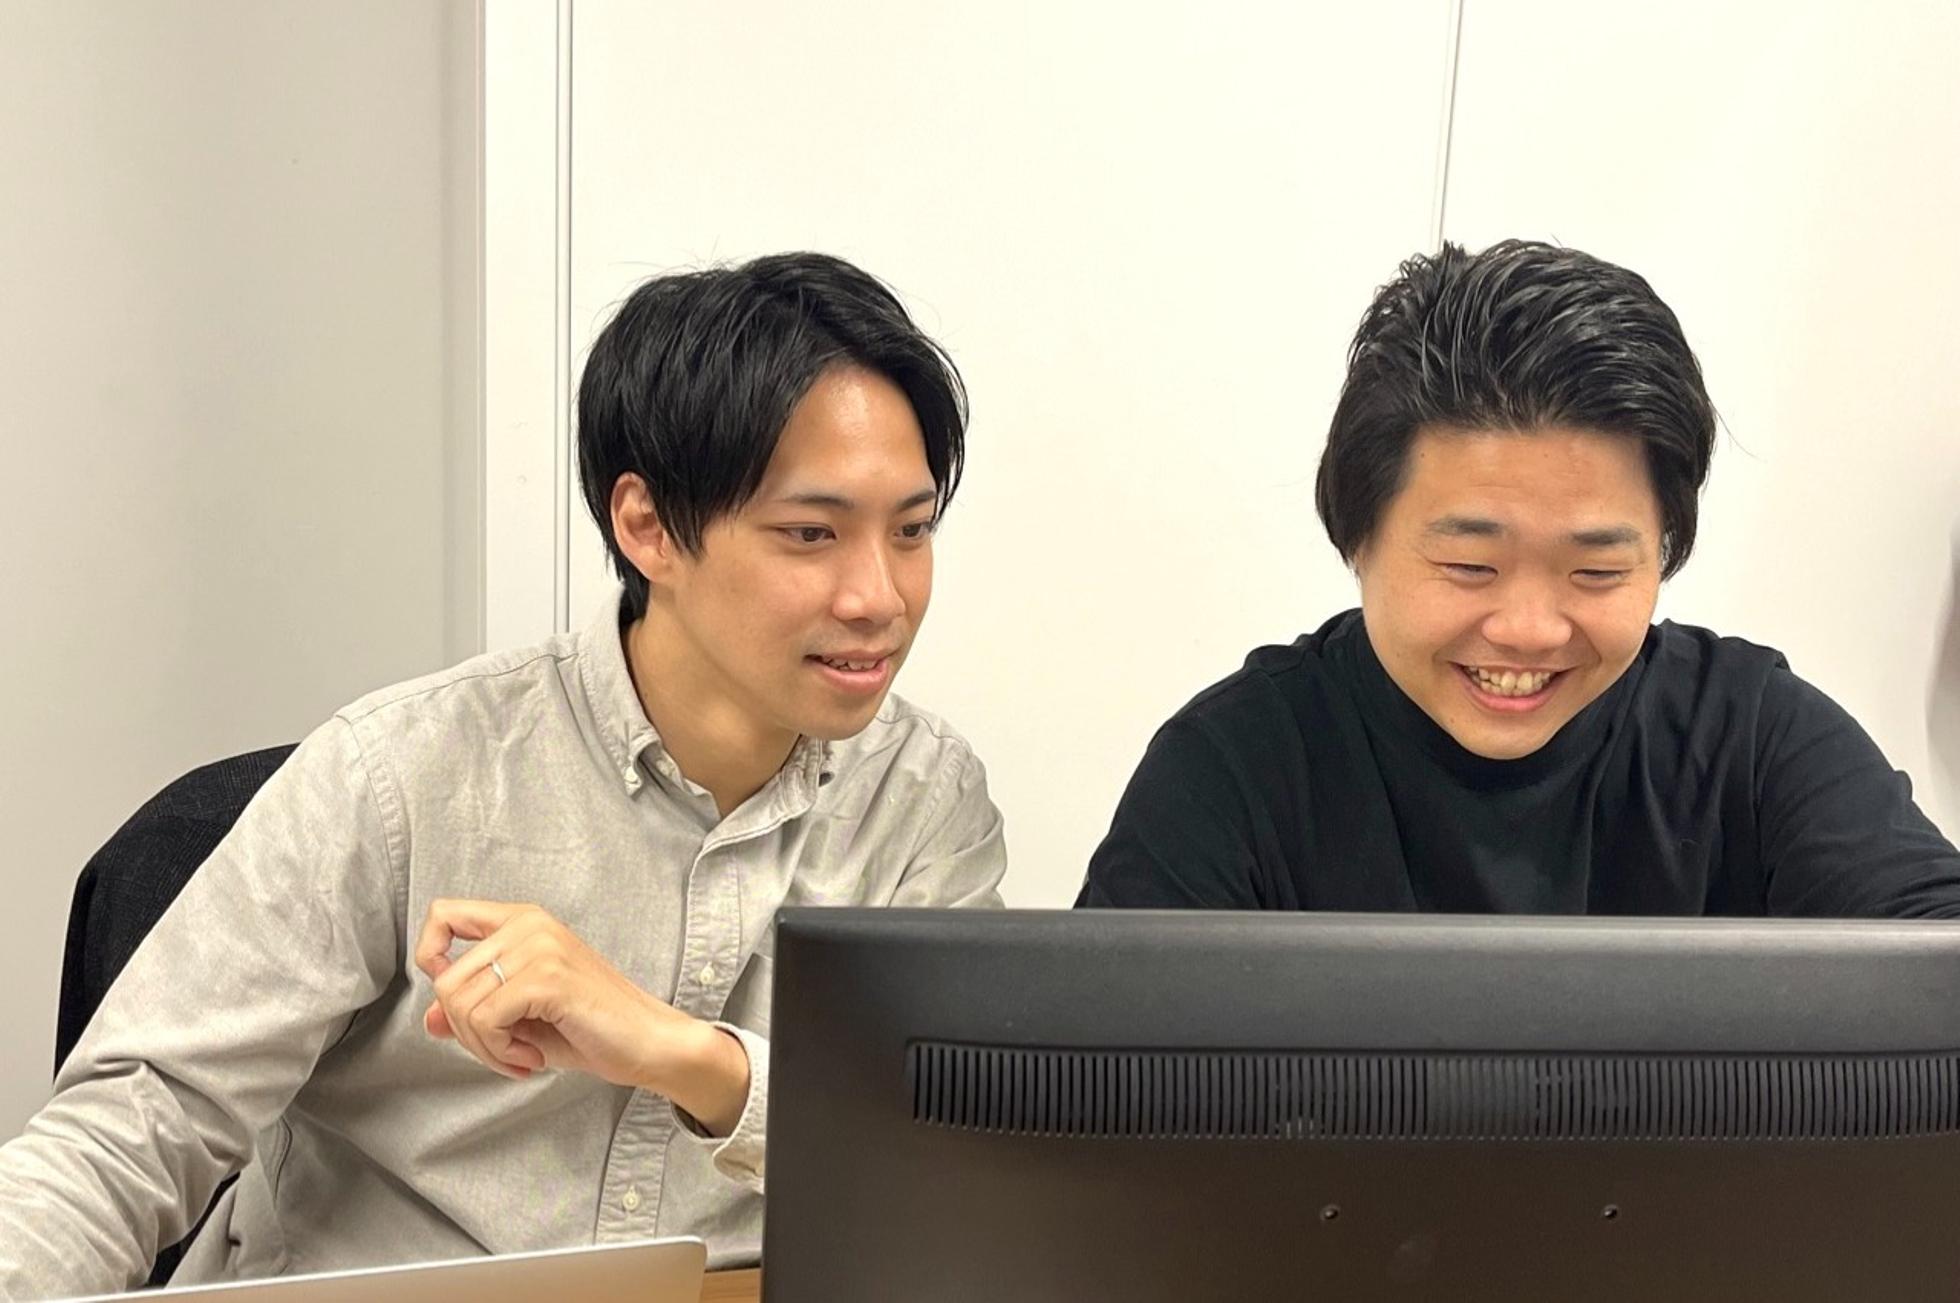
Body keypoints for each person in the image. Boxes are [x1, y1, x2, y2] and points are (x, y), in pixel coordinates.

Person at [0, 252, 1005, 1298]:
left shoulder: (924, 802)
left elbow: (944, 1165)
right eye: (811, 533)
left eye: (912, 530)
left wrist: (681, 1054)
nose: (878, 596)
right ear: (647, 526)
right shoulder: (398, 773)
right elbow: (125, 1134)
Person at [1078, 239, 1960, 915]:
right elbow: (1096, 1064)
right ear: (1357, 537)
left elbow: (1930, 959)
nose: (1531, 628)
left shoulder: (1749, 736)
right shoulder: (1235, 766)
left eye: (1596, 569)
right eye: (1470, 565)